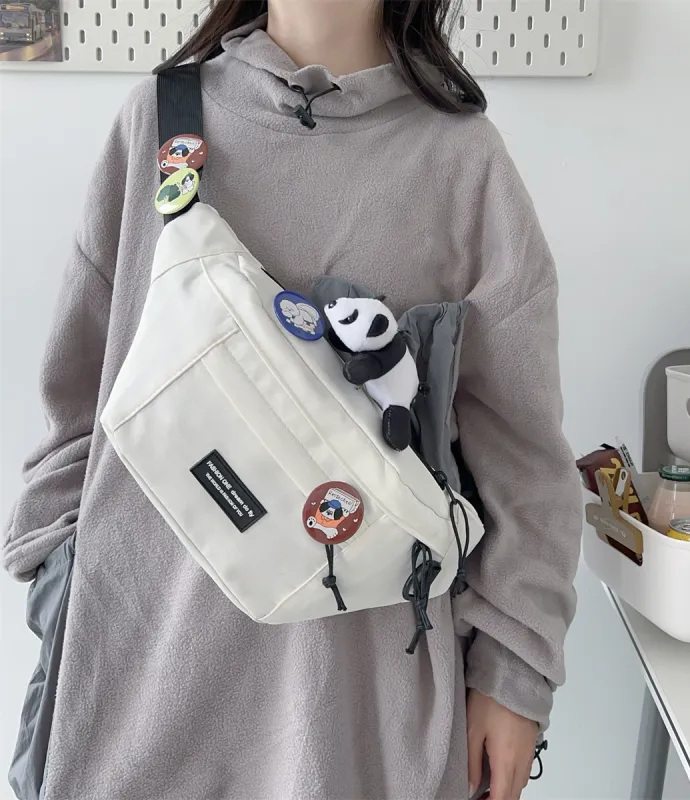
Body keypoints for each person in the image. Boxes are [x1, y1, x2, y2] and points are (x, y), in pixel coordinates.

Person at [2, 1, 582, 799]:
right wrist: (60, 572)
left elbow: (525, 461)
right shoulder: (161, 121)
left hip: (360, 701)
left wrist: (515, 673)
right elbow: (77, 396)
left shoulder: (462, 161)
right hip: (138, 677)